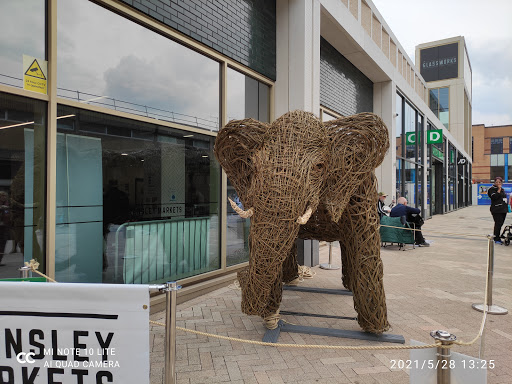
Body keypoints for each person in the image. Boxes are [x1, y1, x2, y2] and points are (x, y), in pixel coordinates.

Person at [488, 176, 507, 245]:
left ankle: (497, 236)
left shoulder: (502, 189)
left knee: (500, 224)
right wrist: (498, 190)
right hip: (496, 209)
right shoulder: (492, 189)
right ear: (494, 182)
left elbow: (504, 198)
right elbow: (494, 197)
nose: (498, 183)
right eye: (497, 182)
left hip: (503, 209)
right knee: (498, 224)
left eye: (499, 182)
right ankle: (496, 238)